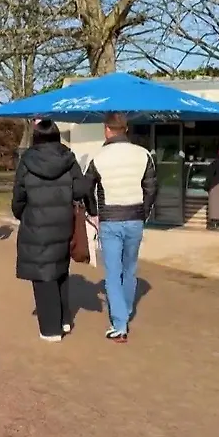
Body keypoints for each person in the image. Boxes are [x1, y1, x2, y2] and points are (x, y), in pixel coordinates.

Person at [11, 120, 92, 342]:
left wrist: (21, 213)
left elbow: (19, 195)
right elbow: (80, 189)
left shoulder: (27, 160)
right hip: (63, 221)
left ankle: (50, 329)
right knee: (60, 269)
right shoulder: (69, 158)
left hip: (36, 223)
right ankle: (64, 319)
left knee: (43, 275)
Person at [84, 113, 158, 343]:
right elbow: (151, 187)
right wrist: (144, 212)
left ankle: (119, 323)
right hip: (135, 217)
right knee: (130, 269)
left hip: (109, 219)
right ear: (126, 129)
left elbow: (86, 188)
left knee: (113, 273)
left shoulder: (98, 157)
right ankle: (124, 312)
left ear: (107, 129)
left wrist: (93, 212)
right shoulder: (143, 154)